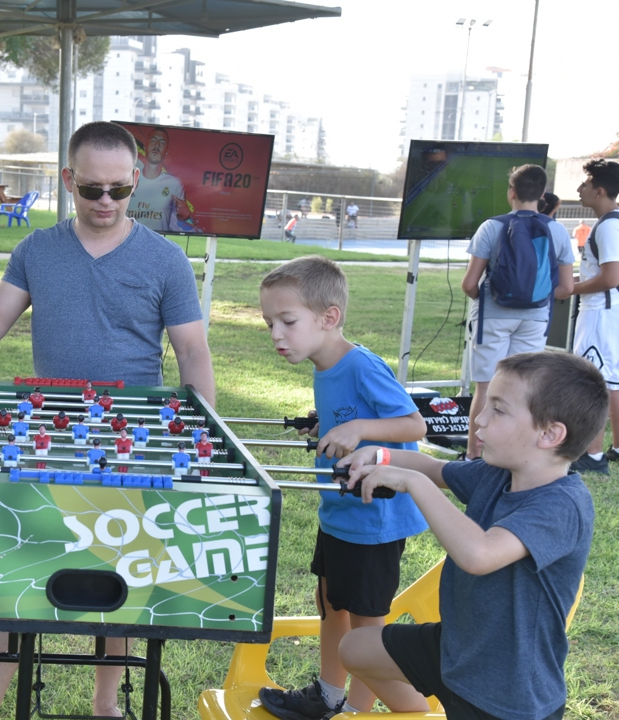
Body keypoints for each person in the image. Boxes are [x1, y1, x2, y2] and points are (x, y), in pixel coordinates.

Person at [0, 120, 214, 720]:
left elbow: (191, 351)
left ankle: (106, 705)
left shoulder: (166, 260)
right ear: (67, 181)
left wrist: (201, 426)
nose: (106, 201)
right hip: (47, 432)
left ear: (135, 181)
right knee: (20, 564)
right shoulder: (36, 250)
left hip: (131, 437)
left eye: (119, 189)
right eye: (91, 189)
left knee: (118, 569)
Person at [338, 351, 605, 720]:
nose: (479, 419)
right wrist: (379, 456)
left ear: (549, 434)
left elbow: (479, 554)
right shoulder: (498, 473)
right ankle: (415, 711)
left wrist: (413, 483)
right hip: (456, 650)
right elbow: (433, 468)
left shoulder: (563, 506)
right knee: (355, 648)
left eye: (498, 409)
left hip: (509, 695)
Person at [257, 255, 428, 719]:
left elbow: (413, 424)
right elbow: (351, 418)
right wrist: (327, 426)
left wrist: (357, 430)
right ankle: (329, 696)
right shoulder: (324, 364)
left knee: (366, 625)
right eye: (270, 323)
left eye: (287, 321)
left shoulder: (360, 365)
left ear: (328, 317)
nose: (276, 334)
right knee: (330, 605)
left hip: (374, 519)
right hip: (340, 513)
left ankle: (367, 710)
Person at [460, 165, 574, 460]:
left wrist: (488, 299)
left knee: (486, 386)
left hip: (492, 316)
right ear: (542, 194)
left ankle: (473, 456)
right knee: (522, 388)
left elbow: (469, 284)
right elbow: (566, 288)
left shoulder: (491, 227)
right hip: (535, 318)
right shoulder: (557, 230)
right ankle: (514, 455)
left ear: (511, 192)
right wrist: (536, 296)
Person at [568, 158, 619, 472]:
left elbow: (611, 278)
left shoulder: (609, 225)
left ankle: (593, 455)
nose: (579, 189)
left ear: (599, 191)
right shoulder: (613, 222)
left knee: (593, 381)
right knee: (612, 381)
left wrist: (568, 289)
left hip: (601, 312)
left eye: (585, 184)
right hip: (609, 312)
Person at [127, 127, 198, 234]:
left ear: (166, 152)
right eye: (153, 141)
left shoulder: (174, 184)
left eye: (162, 143)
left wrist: (186, 217)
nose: (157, 145)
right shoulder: (128, 178)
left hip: (157, 241)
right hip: (127, 239)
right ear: (145, 147)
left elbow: (185, 226)